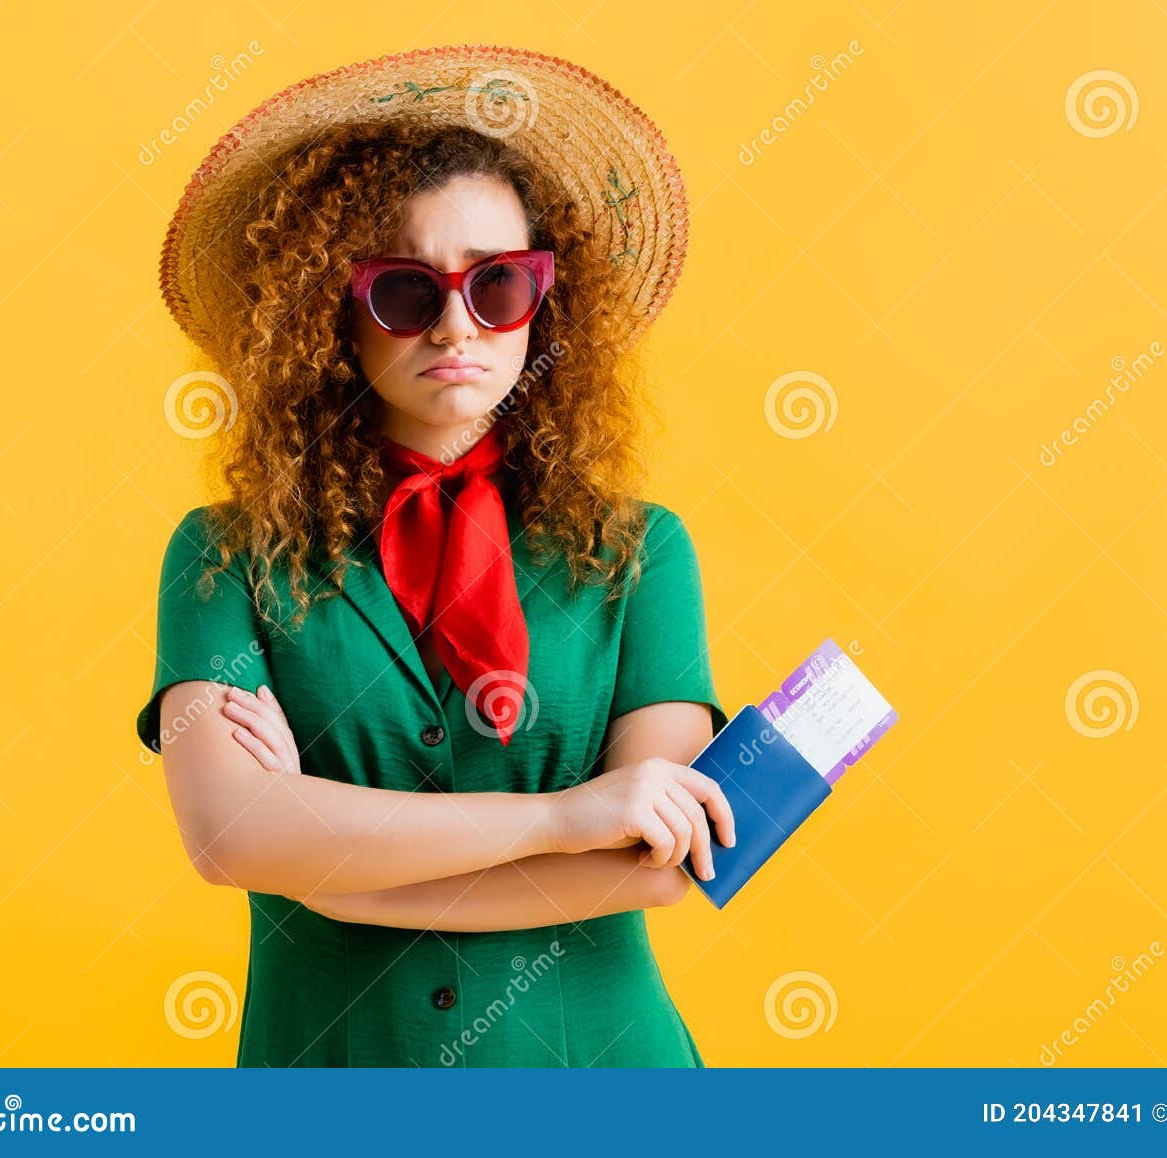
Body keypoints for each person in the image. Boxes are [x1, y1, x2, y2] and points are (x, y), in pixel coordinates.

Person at [136, 45, 735, 1067]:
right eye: (407, 292)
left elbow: (656, 862)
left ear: (545, 304)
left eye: (498, 284)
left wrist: (328, 866)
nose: (458, 324)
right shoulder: (223, 557)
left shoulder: (641, 554)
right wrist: (568, 814)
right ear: (335, 309)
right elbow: (228, 835)